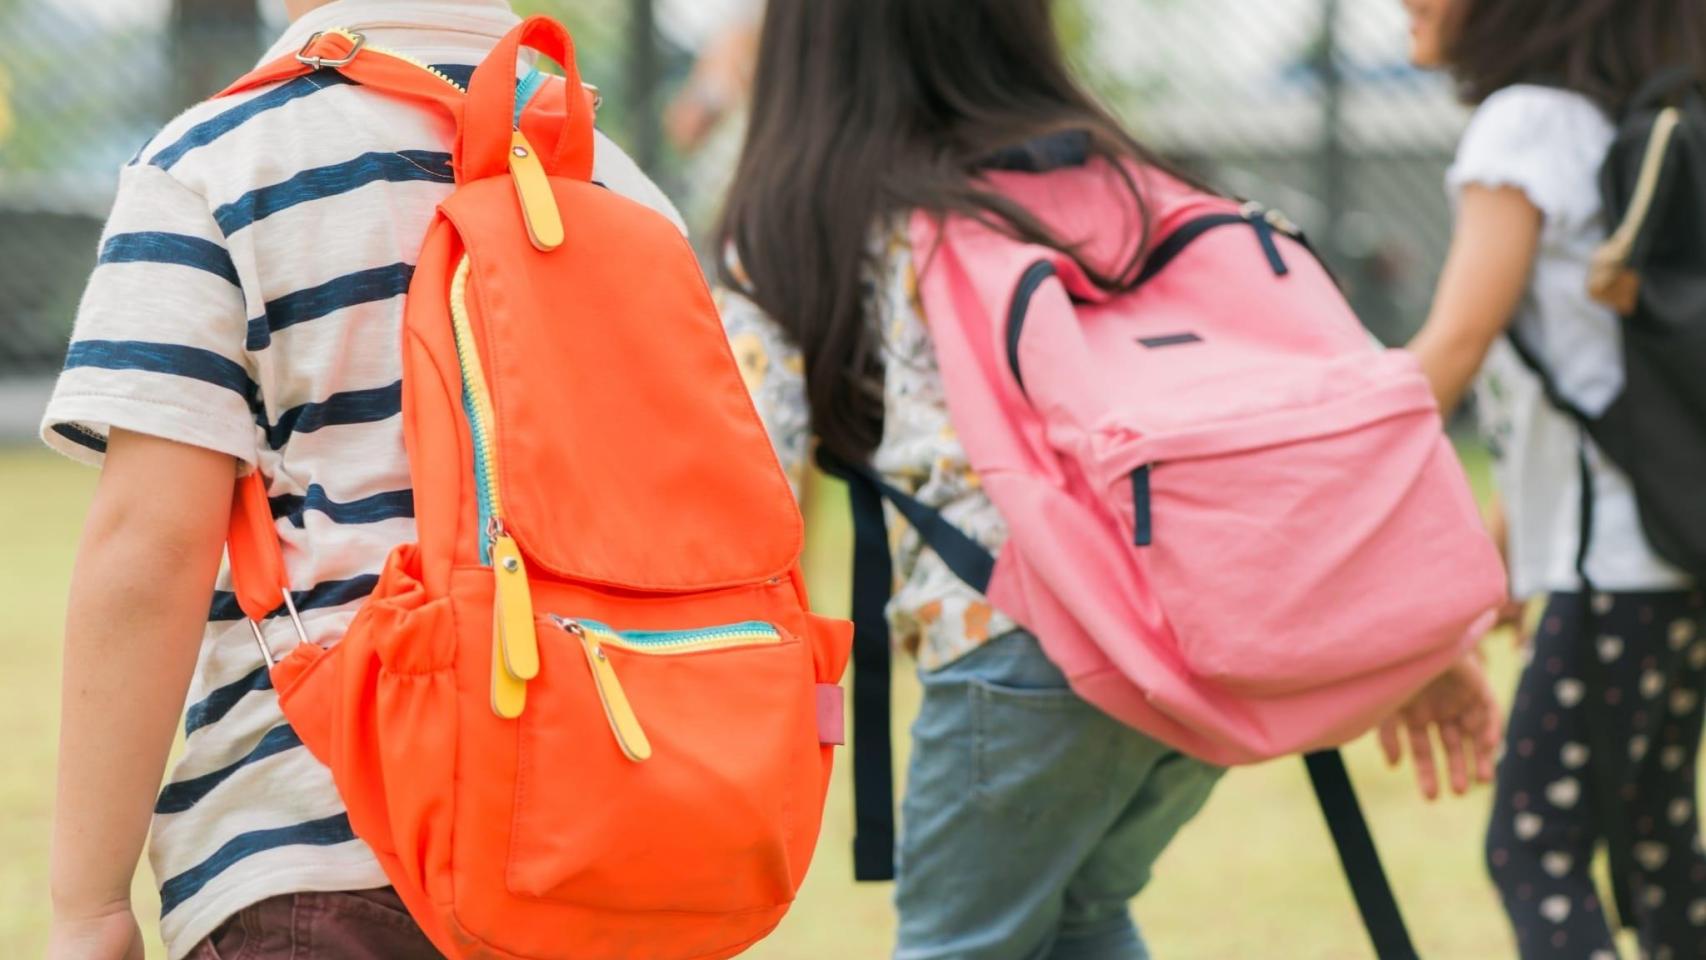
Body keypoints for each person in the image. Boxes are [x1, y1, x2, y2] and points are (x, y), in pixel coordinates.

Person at [716, 3, 1500, 957]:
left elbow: (745, 476)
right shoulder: (1126, 179)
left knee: (959, 942)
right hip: (1182, 639)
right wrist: (1393, 631)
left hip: (1017, 644)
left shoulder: (811, 212)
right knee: (1085, 916)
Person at [41, 2, 681, 958]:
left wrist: (87, 905)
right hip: (598, 850)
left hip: (318, 844)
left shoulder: (218, 163)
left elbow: (151, 545)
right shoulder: (622, 187)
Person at [1401, 0, 1706, 955]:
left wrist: (1305, 457)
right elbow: (1583, 386)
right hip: (1667, 558)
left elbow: (1450, 351)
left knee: (1537, 851)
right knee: (1656, 846)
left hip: (1608, 574)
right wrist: (1495, 559)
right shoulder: (1627, 117)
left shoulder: (1526, 124)